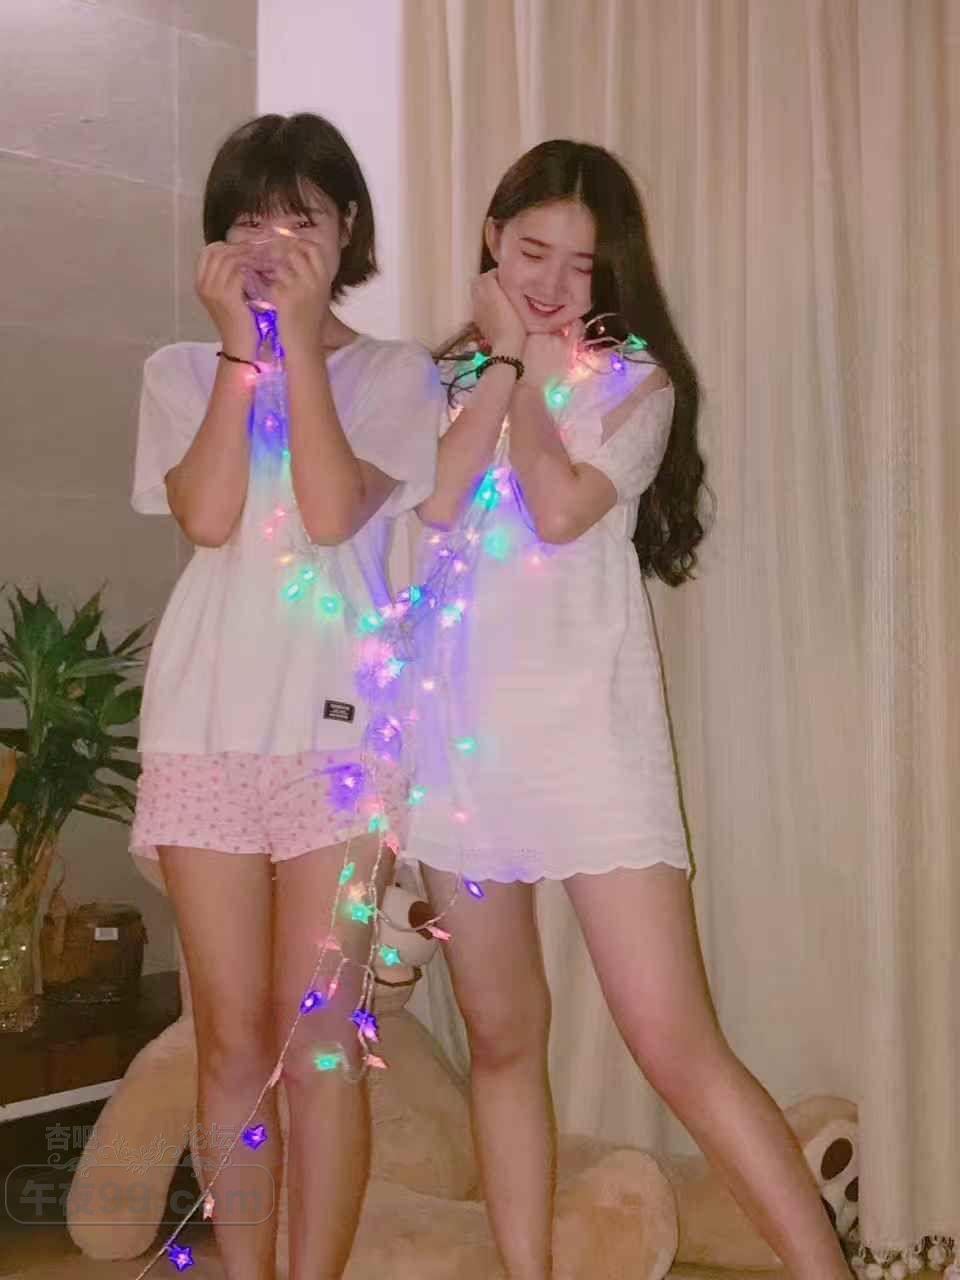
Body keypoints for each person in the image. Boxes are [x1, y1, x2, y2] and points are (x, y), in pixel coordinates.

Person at [409, 139, 851, 1280]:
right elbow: (441, 502)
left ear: (613, 270)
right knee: (502, 1038)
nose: (553, 281)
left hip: (592, 740)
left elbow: (558, 508)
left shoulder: (635, 383)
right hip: (463, 744)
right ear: (492, 240)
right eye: (531, 250)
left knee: (674, 1039)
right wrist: (498, 369)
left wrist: (519, 367)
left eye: (581, 262)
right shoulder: (447, 380)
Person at [129, 113, 443, 1279]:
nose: (270, 241)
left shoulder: (397, 372)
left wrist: (299, 346)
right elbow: (210, 516)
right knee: (229, 1039)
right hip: (203, 728)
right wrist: (239, 355)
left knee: (319, 1041)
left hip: (339, 737)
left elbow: (327, 506)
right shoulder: (179, 368)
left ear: (346, 226)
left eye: (298, 216)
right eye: (249, 218)